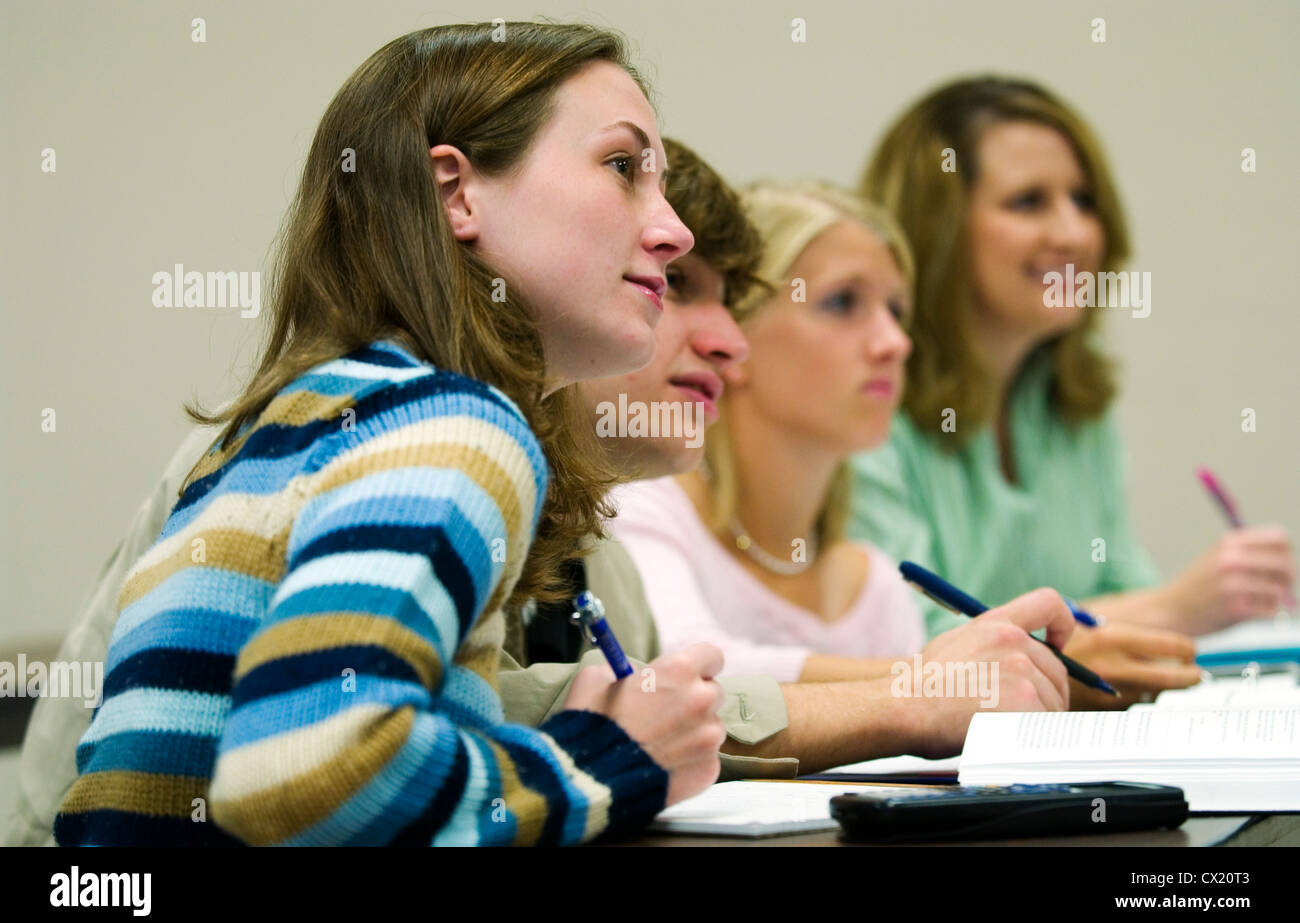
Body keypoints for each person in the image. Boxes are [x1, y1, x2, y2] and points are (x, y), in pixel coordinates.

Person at [52, 22, 726, 847]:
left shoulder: (287, 428)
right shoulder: (450, 426)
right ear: (456, 193)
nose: (673, 230)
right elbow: (303, 776)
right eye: (623, 168)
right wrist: (604, 758)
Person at [848, 77, 1294, 649]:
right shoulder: (863, 396)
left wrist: (1167, 610)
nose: (1074, 232)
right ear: (938, 227)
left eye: (1084, 201)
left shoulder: (1072, 395)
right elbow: (915, 645)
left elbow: (1121, 584)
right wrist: (1173, 609)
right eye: (1029, 202)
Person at [610, 179, 1080, 721]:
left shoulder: (875, 583)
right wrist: (939, 677)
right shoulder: (644, 507)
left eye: (897, 312)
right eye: (842, 303)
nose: (894, 342)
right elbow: (684, 673)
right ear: (734, 335)